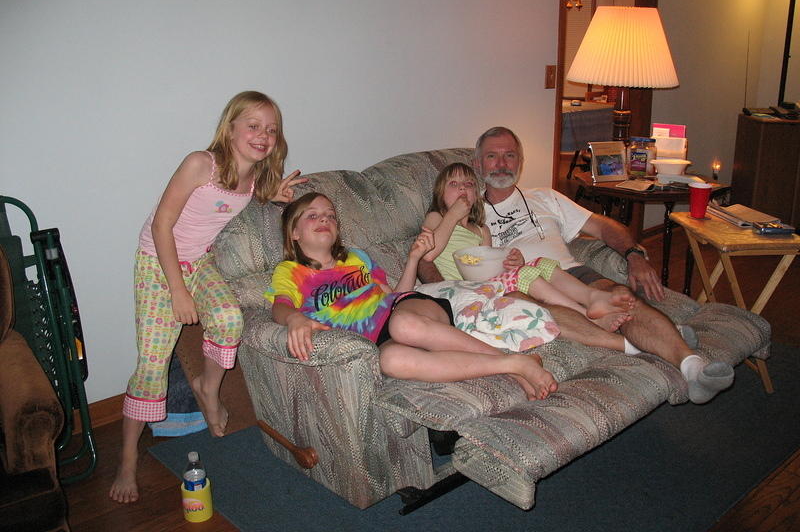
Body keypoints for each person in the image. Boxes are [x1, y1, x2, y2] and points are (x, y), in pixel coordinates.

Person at [110, 91, 306, 504]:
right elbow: (163, 224)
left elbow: (231, 202)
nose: (263, 135)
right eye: (253, 125)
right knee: (152, 365)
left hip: (198, 262)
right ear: (230, 127)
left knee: (230, 320)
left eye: (271, 129)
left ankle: (207, 387)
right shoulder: (201, 162)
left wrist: (272, 196)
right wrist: (177, 291)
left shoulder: (252, 178)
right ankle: (127, 460)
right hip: (157, 262)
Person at [469, 126, 734, 405]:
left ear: (520, 162)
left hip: (571, 273)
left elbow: (604, 227)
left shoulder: (545, 197)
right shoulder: (470, 214)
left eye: (509, 155)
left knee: (623, 298)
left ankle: (694, 368)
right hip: (525, 286)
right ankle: (644, 342)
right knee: (535, 307)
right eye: (492, 157)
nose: (501, 164)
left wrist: (633, 255)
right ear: (478, 164)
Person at [264, 192, 558, 403]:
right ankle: (511, 366)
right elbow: (280, 306)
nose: (324, 219)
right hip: (377, 338)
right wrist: (295, 319)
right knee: (391, 361)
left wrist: (413, 259)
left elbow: (395, 295)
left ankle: (512, 360)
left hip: (407, 311)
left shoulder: (357, 258)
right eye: (313, 216)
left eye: (330, 215)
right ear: (294, 233)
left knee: (404, 325)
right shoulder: (290, 271)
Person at [422, 162, 634, 333]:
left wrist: (510, 262)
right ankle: (587, 318)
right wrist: (452, 216)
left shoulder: (482, 230)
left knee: (541, 263)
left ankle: (593, 297)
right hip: (458, 291)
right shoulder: (436, 218)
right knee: (524, 275)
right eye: (453, 184)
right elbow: (429, 253)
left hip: (484, 286)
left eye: (468, 184)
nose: (462, 188)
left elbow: (488, 267)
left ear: (476, 195)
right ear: (440, 194)